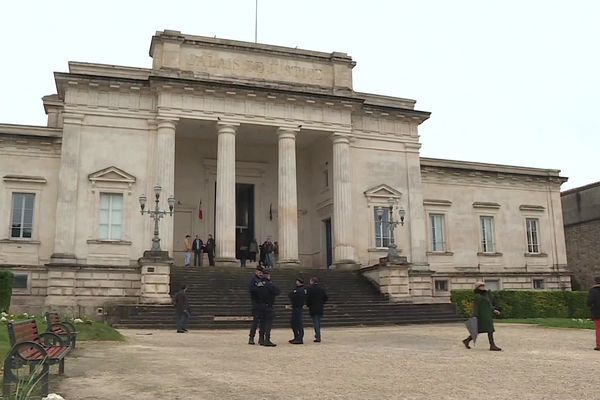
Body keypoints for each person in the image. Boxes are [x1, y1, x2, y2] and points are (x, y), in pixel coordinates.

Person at [462, 282, 502, 351]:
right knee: (483, 330)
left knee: (488, 330)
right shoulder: (477, 296)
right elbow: (476, 307)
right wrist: (474, 316)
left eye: (483, 285)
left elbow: (488, 305)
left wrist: (494, 310)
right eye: (481, 286)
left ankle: (467, 340)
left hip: (487, 315)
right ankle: (492, 345)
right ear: (478, 287)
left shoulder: (486, 295)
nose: (483, 287)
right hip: (481, 315)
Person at [254, 269, 280, 346]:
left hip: (260, 305)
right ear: (268, 275)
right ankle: (267, 339)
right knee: (268, 323)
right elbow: (277, 291)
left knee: (262, 323)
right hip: (268, 305)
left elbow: (255, 293)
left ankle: (261, 339)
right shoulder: (269, 284)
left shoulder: (259, 284)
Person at [306, 276, 328, 343]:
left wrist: (308, 305)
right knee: (318, 322)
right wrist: (322, 302)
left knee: (316, 323)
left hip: (313, 307)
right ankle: (317, 335)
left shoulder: (310, 289)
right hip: (320, 307)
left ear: (312, 282)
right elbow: (326, 298)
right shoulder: (321, 289)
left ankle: (318, 336)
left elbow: (308, 298)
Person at [248, 266, 264, 345]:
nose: (260, 274)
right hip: (256, 303)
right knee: (255, 322)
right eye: (259, 272)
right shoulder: (253, 280)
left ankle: (261, 338)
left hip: (263, 303)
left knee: (262, 322)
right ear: (256, 272)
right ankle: (251, 337)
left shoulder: (264, 281)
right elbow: (251, 289)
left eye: (261, 273)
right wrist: (259, 288)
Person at [288, 278, 307, 344]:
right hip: (295, 307)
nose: (296, 282)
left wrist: (293, 294)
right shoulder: (297, 289)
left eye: (297, 281)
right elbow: (290, 294)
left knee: (298, 323)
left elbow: (293, 296)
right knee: (293, 323)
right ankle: (296, 337)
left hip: (298, 307)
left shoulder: (301, 290)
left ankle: (300, 338)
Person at [587, 276, 600, 351]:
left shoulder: (593, 291)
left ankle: (599, 345)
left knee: (598, 328)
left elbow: (589, 302)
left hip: (597, 312)